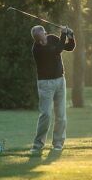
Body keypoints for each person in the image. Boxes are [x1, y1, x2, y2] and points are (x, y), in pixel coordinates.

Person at [29, 24, 76, 155]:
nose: (46, 34)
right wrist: (63, 34)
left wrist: (70, 36)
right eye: (43, 33)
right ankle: (38, 145)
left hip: (60, 81)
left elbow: (68, 47)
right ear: (38, 38)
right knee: (46, 114)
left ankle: (58, 144)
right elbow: (57, 51)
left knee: (61, 115)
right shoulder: (37, 49)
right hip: (45, 84)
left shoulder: (52, 38)